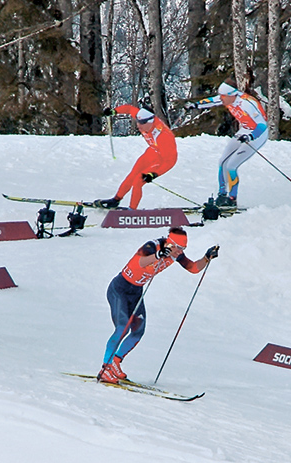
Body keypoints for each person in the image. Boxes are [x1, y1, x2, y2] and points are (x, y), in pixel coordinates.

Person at [99, 227, 219, 384]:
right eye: (179, 248)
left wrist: (206, 257)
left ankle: (115, 361)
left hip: (135, 292)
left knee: (138, 331)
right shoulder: (152, 246)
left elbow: (193, 268)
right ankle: (105, 369)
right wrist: (157, 256)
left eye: (183, 249)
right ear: (170, 243)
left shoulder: (176, 254)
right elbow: (138, 263)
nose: (180, 252)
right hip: (120, 289)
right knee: (123, 328)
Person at [186, 80, 267, 208]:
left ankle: (232, 198)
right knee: (222, 162)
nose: (221, 99)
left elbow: (262, 125)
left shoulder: (246, 104)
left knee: (231, 165)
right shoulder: (228, 98)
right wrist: (195, 105)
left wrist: (251, 136)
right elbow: (212, 101)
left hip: (257, 135)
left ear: (232, 95)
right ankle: (222, 195)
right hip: (245, 130)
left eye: (223, 96)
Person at [95, 105, 178, 210]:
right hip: (152, 152)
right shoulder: (142, 117)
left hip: (163, 159)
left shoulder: (164, 136)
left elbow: (170, 161)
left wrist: (154, 174)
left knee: (138, 180)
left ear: (151, 122)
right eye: (138, 122)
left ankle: (132, 210)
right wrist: (114, 111)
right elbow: (130, 109)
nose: (139, 126)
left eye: (142, 123)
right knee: (133, 174)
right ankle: (115, 200)